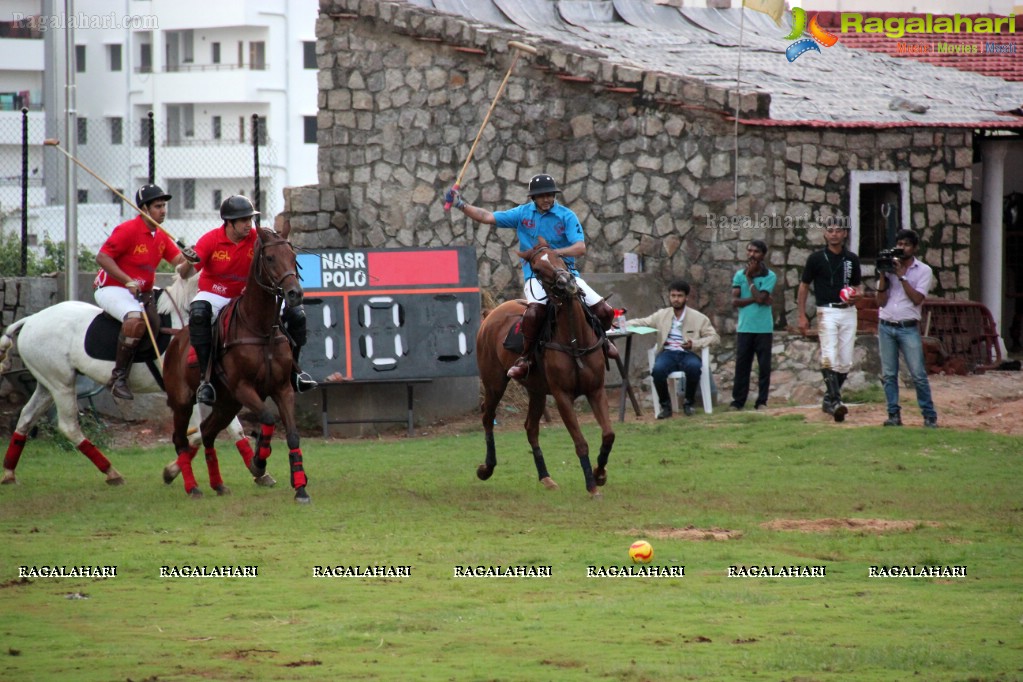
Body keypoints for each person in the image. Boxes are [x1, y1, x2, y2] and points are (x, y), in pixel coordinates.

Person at [444, 174, 617, 379]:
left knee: (605, 311)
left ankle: (602, 339)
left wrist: (554, 255)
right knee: (535, 313)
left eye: (550, 195)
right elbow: (487, 216)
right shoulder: (522, 214)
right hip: (537, 277)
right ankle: (525, 358)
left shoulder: (566, 215)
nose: (546, 199)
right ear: (533, 198)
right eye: (541, 195)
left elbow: (580, 248)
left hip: (567, 274)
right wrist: (460, 204)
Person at [188, 195, 315, 406]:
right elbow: (185, 273)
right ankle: (205, 379)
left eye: (250, 219)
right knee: (199, 313)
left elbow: (276, 245)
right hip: (216, 293)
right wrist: (187, 261)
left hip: (246, 298)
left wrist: (282, 241)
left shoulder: (257, 238)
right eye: (244, 220)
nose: (249, 224)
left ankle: (295, 372)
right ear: (229, 222)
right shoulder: (211, 239)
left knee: (297, 315)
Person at [94, 184, 198, 400]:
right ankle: (119, 377)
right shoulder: (127, 230)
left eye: (164, 206)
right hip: (114, 287)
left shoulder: (160, 236)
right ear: (144, 209)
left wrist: (190, 257)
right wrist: (127, 280)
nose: (163, 210)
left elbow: (178, 264)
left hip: (144, 292)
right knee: (135, 319)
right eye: (158, 206)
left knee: (161, 319)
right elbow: (102, 257)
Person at [797, 226, 862, 422]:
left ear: (844, 234)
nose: (834, 234)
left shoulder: (852, 259)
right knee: (829, 356)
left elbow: (858, 286)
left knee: (845, 361)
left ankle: (828, 400)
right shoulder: (816, 258)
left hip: (848, 311)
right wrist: (801, 315)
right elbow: (804, 285)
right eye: (830, 230)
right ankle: (836, 402)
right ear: (825, 234)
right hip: (827, 310)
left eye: (838, 230)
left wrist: (857, 295)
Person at [876, 229, 938, 428]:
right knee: (889, 374)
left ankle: (929, 416)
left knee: (918, 374)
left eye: (906, 245)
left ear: (915, 247)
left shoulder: (923, 270)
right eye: (899, 244)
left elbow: (917, 299)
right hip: (886, 324)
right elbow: (880, 301)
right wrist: (884, 277)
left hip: (907, 327)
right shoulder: (890, 266)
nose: (902, 248)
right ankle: (893, 415)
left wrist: (902, 277)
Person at [629, 280, 719, 418]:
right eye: (673, 295)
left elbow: (714, 338)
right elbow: (643, 322)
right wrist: (620, 323)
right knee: (657, 371)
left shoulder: (698, 318)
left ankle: (689, 403)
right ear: (669, 296)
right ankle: (665, 407)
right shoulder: (662, 315)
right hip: (668, 353)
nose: (676, 299)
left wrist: (694, 343)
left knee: (694, 367)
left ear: (686, 297)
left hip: (688, 353)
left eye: (680, 296)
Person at [730, 239, 776, 410]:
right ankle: (738, 401)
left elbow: (763, 297)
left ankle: (762, 401)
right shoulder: (739, 275)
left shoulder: (770, 275)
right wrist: (757, 299)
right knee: (742, 365)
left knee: (764, 366)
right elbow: (735, 301)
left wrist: (750, 279)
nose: (752, 254)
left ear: (763, 255)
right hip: (745, 327)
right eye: (749, 251)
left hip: (763, 328)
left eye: (756, 251)